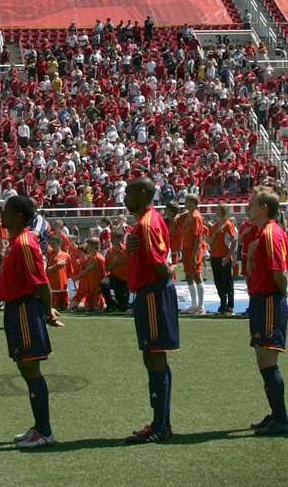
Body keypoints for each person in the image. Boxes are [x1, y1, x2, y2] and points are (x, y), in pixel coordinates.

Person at [0, 194, 61, 449]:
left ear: (19, 216)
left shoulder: (25, 242)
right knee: (25, 368)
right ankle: (38, 427)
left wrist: (48, 312)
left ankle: (45, 431)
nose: (2, 215)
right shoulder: (17, 241)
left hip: (25, 308)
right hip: (16, 308)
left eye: (6, 211)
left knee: (31, 368)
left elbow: (41, 281)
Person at [123, 177, 180, 444]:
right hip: (148, 294)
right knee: (153, 357)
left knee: (155, 357)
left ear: (144, 194)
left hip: (154, 295)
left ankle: (160, 426)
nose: (125, 197)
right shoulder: (147, 221)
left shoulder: (146, 224)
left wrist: (168, 270)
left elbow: (159, 265)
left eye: (130, 192)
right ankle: (160, 422)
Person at [245, 189, 288, 435]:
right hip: (260, 300)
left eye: (252, 203)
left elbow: (279, 273)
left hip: (269, 302)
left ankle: (282, 418)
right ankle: (276, 414)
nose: (248, 206)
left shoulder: (271, 233)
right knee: (263, 360)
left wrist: (282, 294)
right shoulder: (262, 233)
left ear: (264, 207)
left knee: (268, 359)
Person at [179, 195, 209, 315]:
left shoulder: (196, 217)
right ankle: (194, 305)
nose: (185, 203)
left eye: (187, 201)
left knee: (197, 275)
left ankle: (201, 306)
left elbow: (198, 237)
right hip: (187, 249)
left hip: (193, 250)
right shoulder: (189, 215)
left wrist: (194, 254)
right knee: (189, 276)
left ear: (193, 202)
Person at [209, 205, 237, 315]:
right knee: (218, 282)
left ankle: (230, 306)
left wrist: (228, 256)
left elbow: (234, 240)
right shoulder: (216, 225)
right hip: (214, 256)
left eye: (218, 210)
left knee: (227, 282)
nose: (216, 211)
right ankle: (222, 304)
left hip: (224, 257)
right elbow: (210, 242)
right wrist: (215, 232)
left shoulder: (228, 224)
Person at [104, 230, 130, 312]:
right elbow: (107, 268)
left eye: (113, 237)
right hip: (114, 278)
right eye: (111, 237)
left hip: (125, 280)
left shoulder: (127, 250)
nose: (111, 239)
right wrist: (115, 262)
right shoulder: (109, 251)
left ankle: (119, 303)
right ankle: (111, 305)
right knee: (103, 283)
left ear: (120, 238)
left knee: (123, 308)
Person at [46, 234, 71, 311]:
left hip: (64, 287)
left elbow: (69, 273)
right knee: (54, 309)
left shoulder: (66, 256)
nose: (52, 245)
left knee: (65, 308)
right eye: (51, 243)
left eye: (54, 243)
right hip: (53, 287)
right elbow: (45, 271)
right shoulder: (49, 255)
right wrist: (56, 266)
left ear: (59, 243)